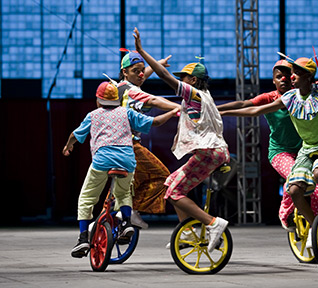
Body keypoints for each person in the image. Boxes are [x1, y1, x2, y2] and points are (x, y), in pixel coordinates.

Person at [220, 30, 318, 247]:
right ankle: (307, 225)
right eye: (282, 75)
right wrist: (219, 111)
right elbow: (251, 109)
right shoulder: (285, 98)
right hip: (291, 150)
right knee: (294, 186)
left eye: (292, 73)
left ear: (306, 76)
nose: (287, 78)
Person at [133, 27, 230, 252]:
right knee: (170, 183)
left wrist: (142, 51)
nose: (181, 81)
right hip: (213, 150)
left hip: (209, 152)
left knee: (174, 193)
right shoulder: (207, 97)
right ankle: (187, 232)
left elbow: (165, 77)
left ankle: (212, 223)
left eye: (184, 78)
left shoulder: (194, 94)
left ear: (193, 80)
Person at [63, 81, 178, 258]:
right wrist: (172, 112)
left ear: (98, 100)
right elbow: (154, 122)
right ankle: (126, 224)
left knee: (86, 198)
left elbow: (75, 135)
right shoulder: (126, 113)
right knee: (124, 194)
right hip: (126, 161)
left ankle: (83, 238)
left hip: (101, 161)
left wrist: (68, 147)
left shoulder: (93, 115)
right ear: (117, 99)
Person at [217, 60, 318, 231]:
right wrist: (217, 110)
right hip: (280, 152)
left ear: (294, 77)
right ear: (273, 81)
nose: (283, 79)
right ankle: (285, 213)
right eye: (278, 77)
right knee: (295, 176)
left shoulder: (304, 93)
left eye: (287, 76)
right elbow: (245, 105)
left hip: (305, 151)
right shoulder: (270, 98)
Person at [115, 51, 181, 218]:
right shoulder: (132, 91)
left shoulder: (118, 88)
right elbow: (153, 100)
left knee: (123, 187)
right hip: (129, 145)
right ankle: (131, 212)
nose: (141, 74)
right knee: (162, 176)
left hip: (112, 145)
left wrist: (157, 63)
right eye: (136, 71)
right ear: (125, 72)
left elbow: (142, 75)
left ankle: (101, 225)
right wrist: (180, 108)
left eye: (142, 70)